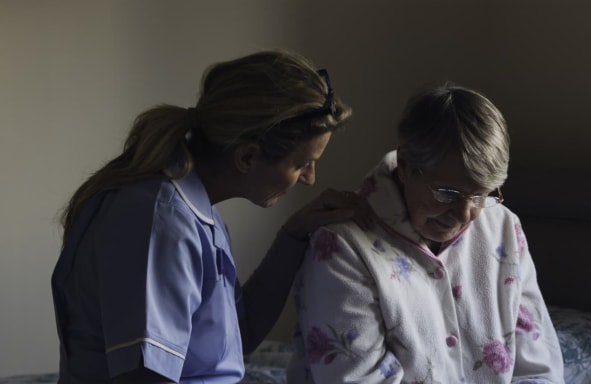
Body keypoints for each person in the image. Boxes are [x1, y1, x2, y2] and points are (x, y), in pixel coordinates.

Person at [51, 50, 372, 384]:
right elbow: (143, 377)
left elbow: (238, 334)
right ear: (248, 157)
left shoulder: (195, 209)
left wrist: (293, 235)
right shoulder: (160, 221)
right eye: (302, 164)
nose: (310, 178)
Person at [287, 83, 564, 383]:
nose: (465, 214)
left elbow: (538, 369)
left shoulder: (504, 227)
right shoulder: (343, 246)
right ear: (405, 165)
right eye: (448, 194)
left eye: (481, 196)